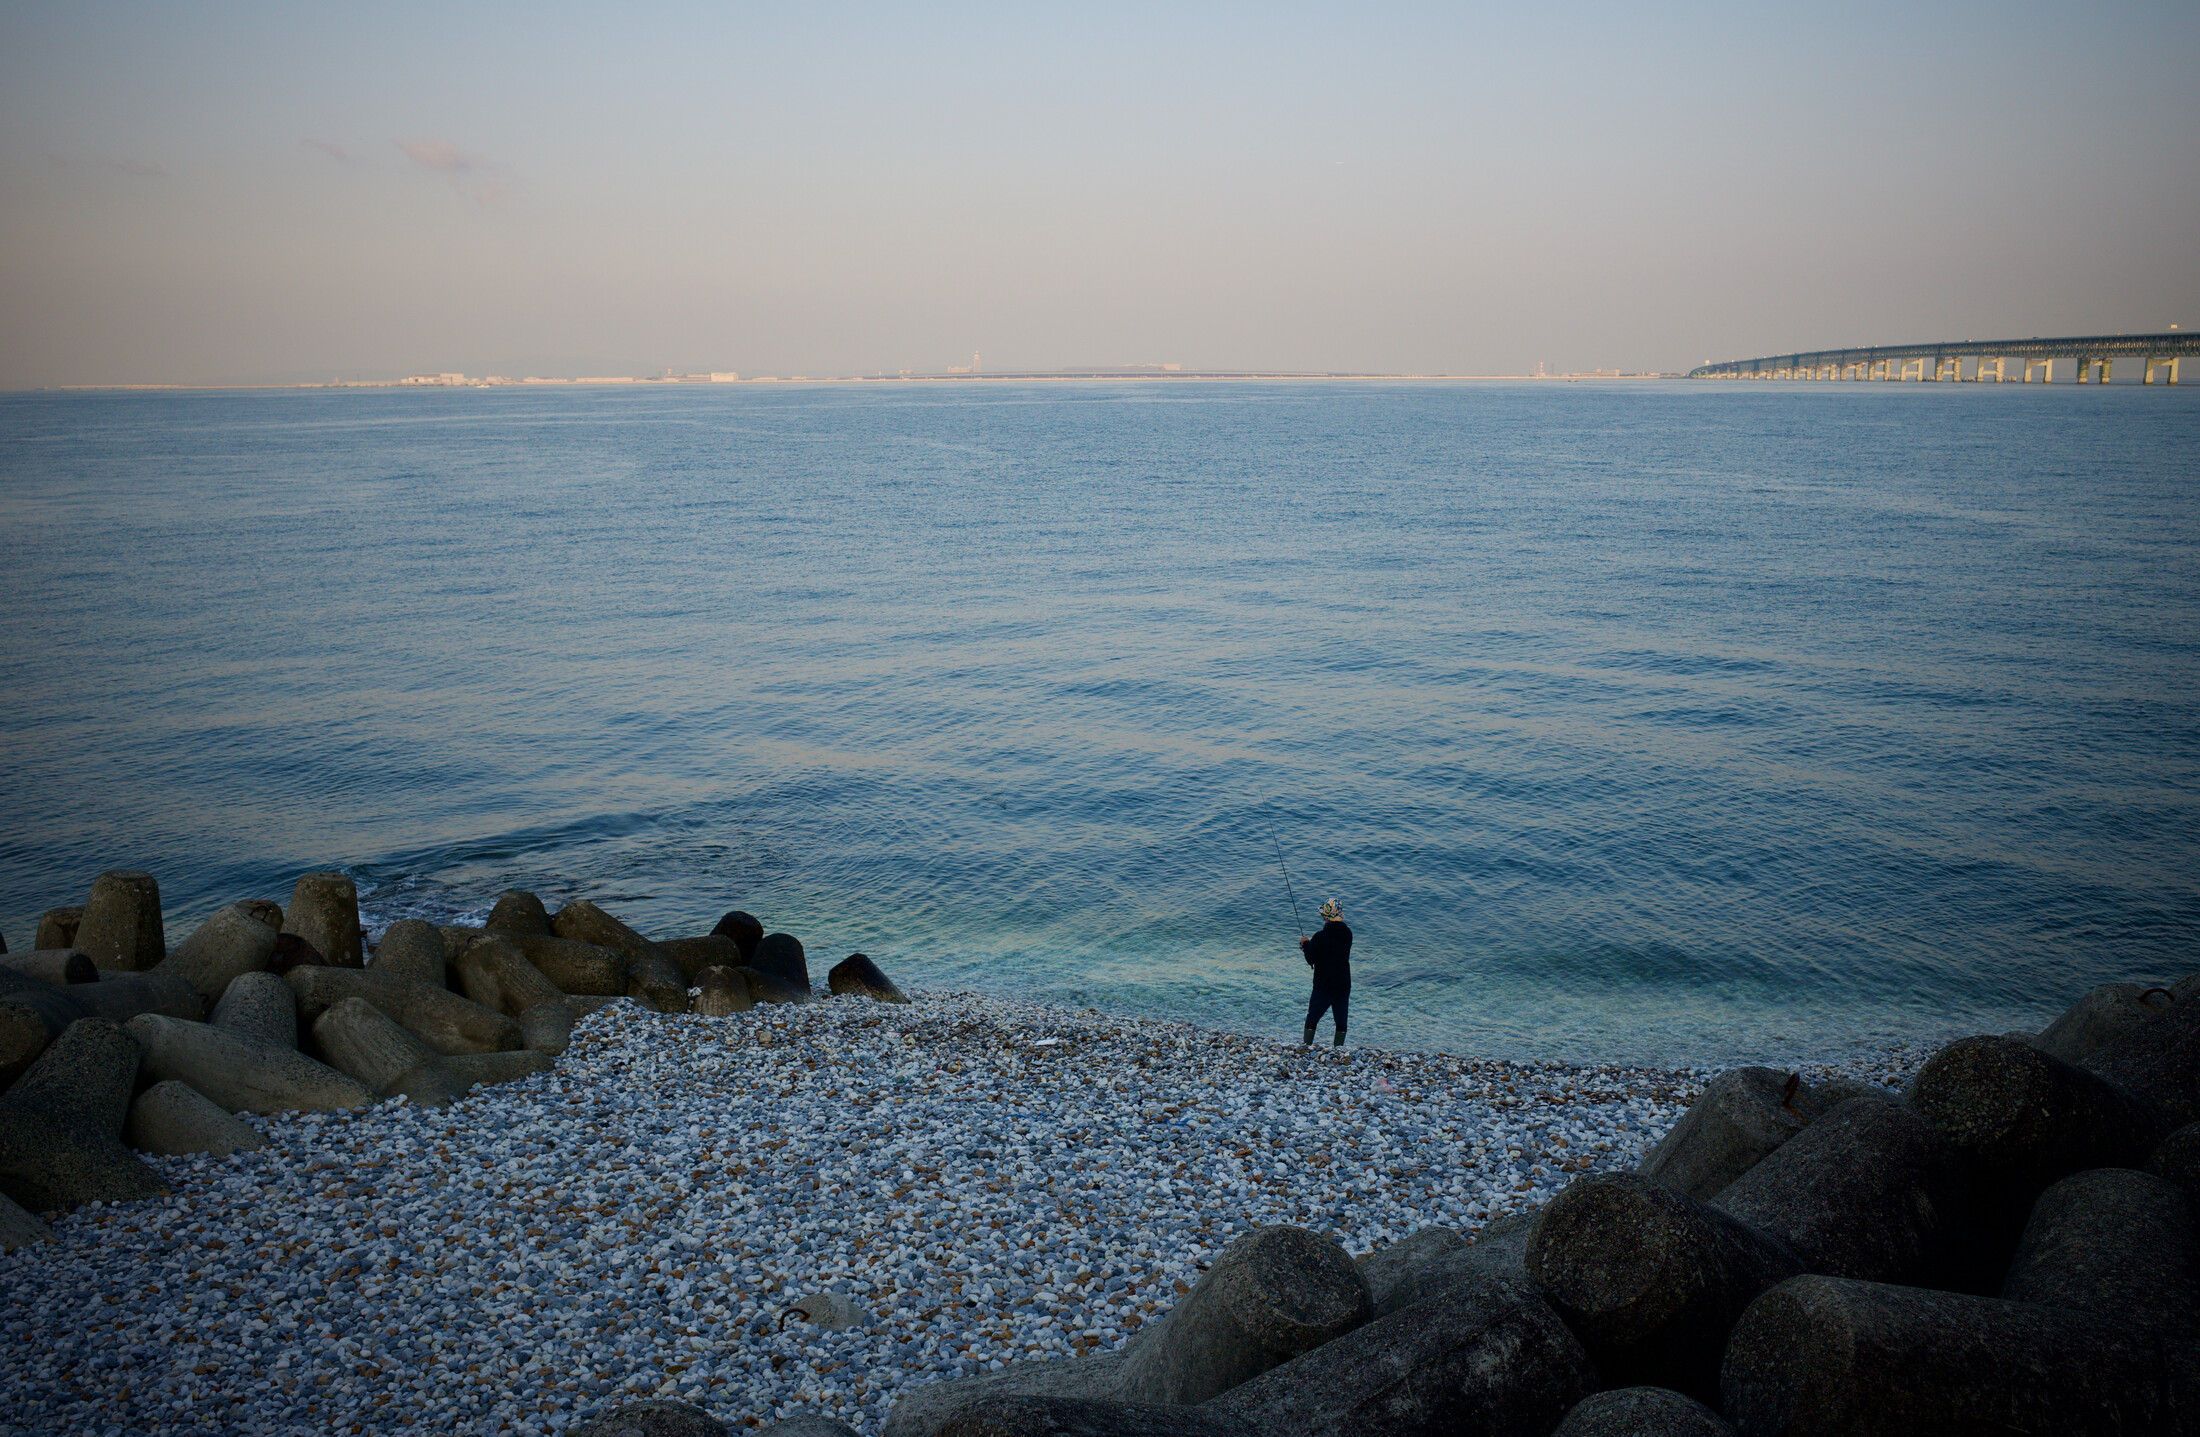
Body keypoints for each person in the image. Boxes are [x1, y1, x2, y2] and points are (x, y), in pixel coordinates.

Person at [1299, 898, 1352, 1047]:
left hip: (1324, 985)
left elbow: (1311, 959)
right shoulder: (1348, 933)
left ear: (1326, 916)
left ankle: (1307, 1046)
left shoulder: (1320, 937)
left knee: (1313, 1017)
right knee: (1341, 1020)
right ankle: (1339, 1050)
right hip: (1343, 984)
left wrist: (1305, 944)